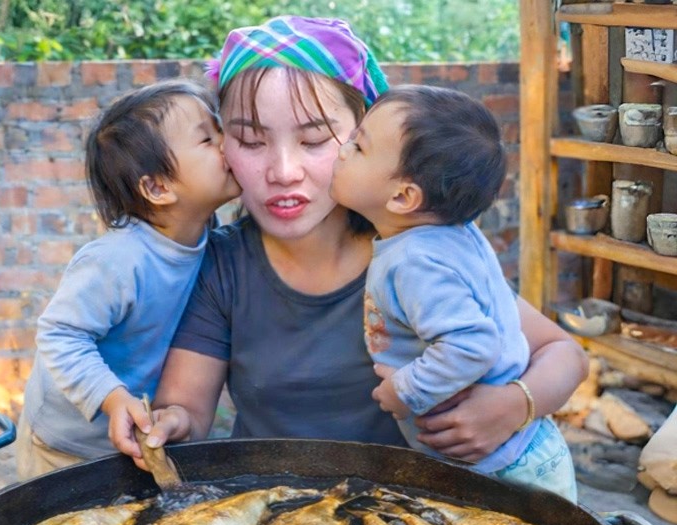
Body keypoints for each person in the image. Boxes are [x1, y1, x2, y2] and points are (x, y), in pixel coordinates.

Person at [112, 17, 587, 483]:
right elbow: (187, 409)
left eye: (315, 139)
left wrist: (512, 407)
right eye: (251, 140)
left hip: (412, 514)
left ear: (364, 135)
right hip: (277, 516)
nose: (283, 170)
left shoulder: (416, 250)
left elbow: (563, 352)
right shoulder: (222, 266)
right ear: (223, 146)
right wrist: (166, 424)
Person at [330, 84, 575, 499]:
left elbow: (472, 344)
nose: (340, 151)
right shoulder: (453, 234)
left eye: (358, 147)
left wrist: (404, 390)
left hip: (501, 467)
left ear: (404, 196)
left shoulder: (415, 262)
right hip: (524, 449)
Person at [16, 79, 242, 479]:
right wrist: (111, 397)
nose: (228, 144)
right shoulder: (118, 261)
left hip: (132, 440)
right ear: (157, 187)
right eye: (208, 139)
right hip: (63, 446)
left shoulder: (214, 242)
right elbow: (60, 334)